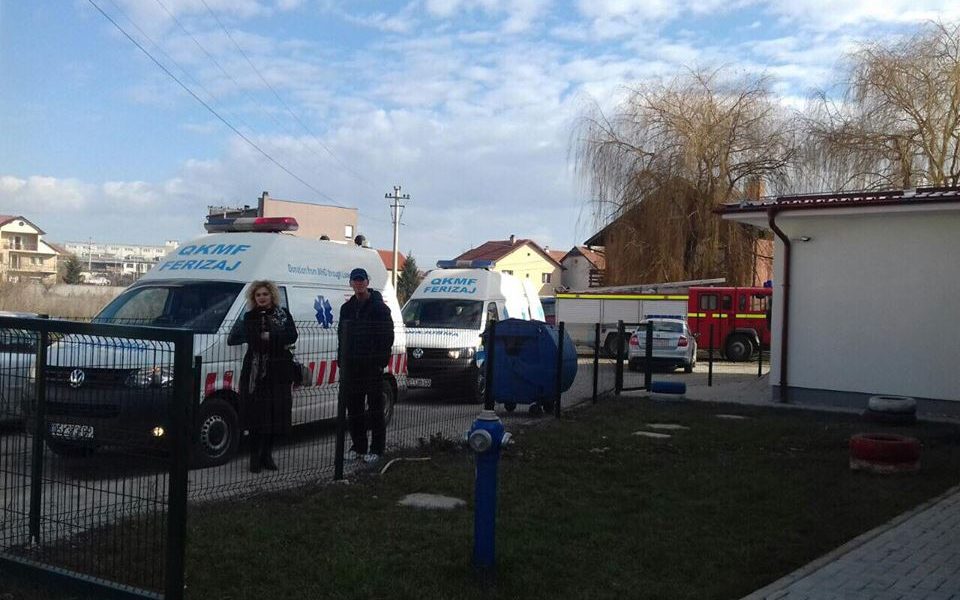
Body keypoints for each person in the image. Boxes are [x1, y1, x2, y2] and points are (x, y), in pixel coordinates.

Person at [228, 280, 298, 473]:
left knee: (275, 415)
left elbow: (292, 335)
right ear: (253, 297)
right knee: (256, 416)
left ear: (272, 295)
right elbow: (255, 341)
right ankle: (254, 457)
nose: (262, 298)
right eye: (258, 295)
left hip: (279, 372)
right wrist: (276, 339)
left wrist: (270, 337)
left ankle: (267, 455)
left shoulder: (283, 314)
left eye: (265, 294)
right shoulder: (250, 317)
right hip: (256, 373)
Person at [337, 267, 394, 464]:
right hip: (352, 366)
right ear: (351, 283)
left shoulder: (379, 308)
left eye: (361, 280)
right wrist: (342, 361)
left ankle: (377, 449)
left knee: (375, 409)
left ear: (367, 282)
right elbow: (341, 336)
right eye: (355, 280)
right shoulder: (347, 308)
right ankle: (358, 446)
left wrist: (380, 362)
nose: (359, 283)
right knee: (354, 409)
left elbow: (387, 336)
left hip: (372, 366)